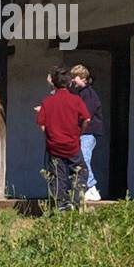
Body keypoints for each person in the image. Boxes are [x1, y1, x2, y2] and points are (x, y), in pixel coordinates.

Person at [36, 67, 90, 211]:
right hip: (72, 144)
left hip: (54, 146)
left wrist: (50, 134)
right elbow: (87, 119)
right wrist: (80, 133)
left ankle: (60, 206)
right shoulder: (75, 100)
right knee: (80, 171)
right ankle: (75, 201)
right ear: (70, 83)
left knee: (58, 176)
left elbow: (41, 124)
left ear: (53, 83)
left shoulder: (48, 102)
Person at [69, 64, 103, 202]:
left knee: (84, 159)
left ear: (82, 78)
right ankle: (83, 189)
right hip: (83, 132)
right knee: (80, 159)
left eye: (74, 77)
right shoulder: (79, 93)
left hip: (88, 133)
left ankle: (91, 187)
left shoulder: (89, 94)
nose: (72, 80)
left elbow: (85, 115)